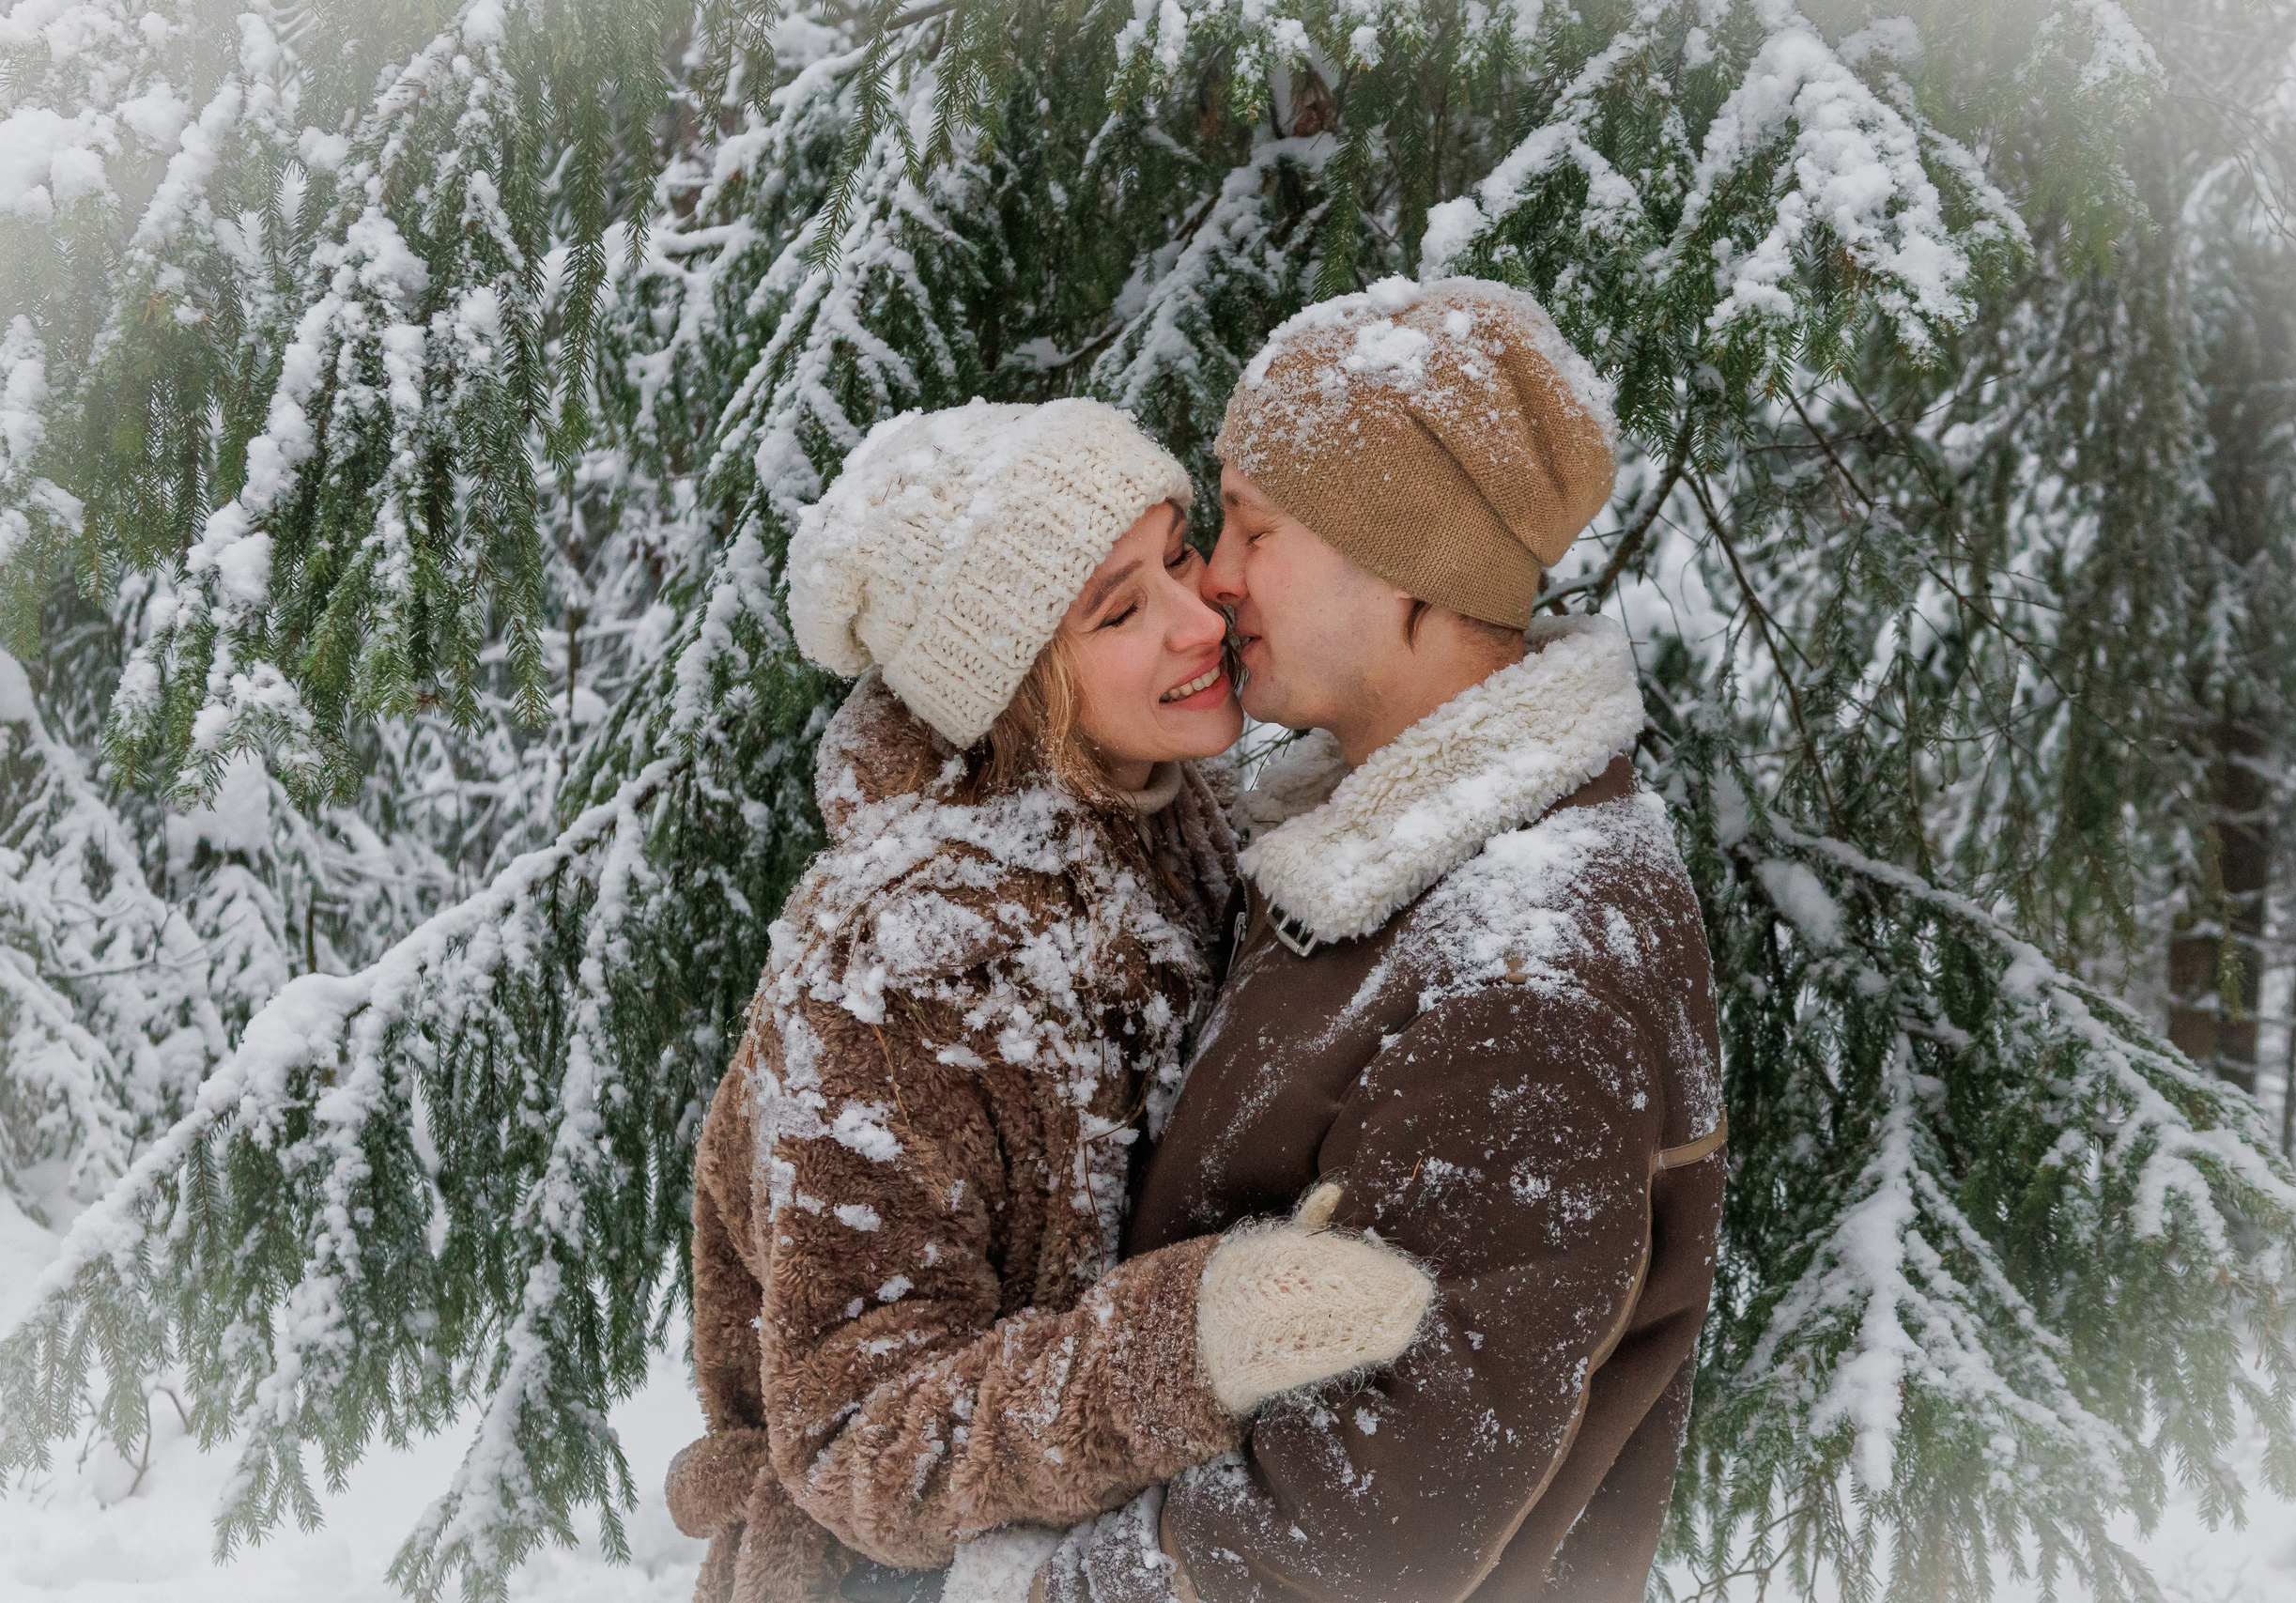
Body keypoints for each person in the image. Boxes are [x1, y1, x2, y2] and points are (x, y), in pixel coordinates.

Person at [663, 398, 1436, 1603]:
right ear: (1016, 687)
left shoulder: (1179, 819)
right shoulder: (901, 970)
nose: (1196, 622)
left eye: (1180, 554)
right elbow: (856, 1437)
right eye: (1118, 610)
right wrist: (1192, 1340)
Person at [1040, 280, 1729, 1603]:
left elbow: (1381, 1509)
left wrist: (1057, 1584)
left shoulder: (1532, 963)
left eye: (1256, 526)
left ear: (1409, 563)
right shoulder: (1374, 864)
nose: (1216, 577)